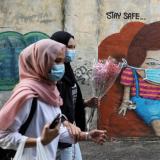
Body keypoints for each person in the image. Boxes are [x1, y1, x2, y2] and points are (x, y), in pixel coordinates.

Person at [0, 39, 106, 159]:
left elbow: (55, 131)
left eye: (62, 61)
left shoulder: (50, 92)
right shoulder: (27, 95)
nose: (61, 66)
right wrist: (40, 141)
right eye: (56, 61)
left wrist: (86, 136)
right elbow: (3, 137)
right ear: (40, 62)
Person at [50, 31, 99, 160]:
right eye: (69, 47)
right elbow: (50, 106)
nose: (72, 51)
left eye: (74, 47)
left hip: (70, 130)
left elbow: (68, 100)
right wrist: (64, 122)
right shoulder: (53, 75)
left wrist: (86, 103)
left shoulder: (67, 71)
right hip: (56, 133)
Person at [118, 21, 160, 136]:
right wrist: (125, 102)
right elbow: (126, 93)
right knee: (157, 123)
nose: (157, 68)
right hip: (143, 102)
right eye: (151, 63)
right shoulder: (131, 71)